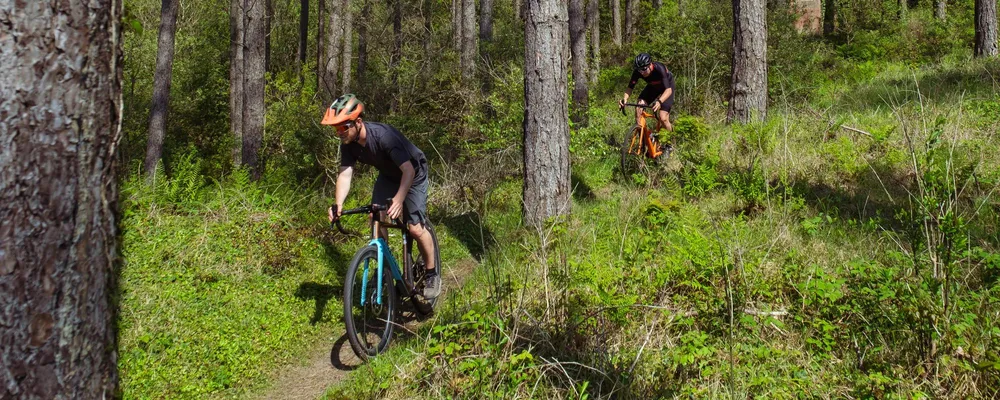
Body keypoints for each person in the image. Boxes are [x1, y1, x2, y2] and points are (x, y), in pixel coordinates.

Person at [322, 94, 440, 299]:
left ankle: (432, 274)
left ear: (358, 122)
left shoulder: (384, 137)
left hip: (413, 173)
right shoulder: (349, 143)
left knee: (415, 229)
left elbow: (409, 171)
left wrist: (399, 199)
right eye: (336, 129)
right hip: (389, 176)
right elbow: (345, 173)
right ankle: (384, 267)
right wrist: (338, 204)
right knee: (375, 219)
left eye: (343, 127)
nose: (340, 132)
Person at [618, 52, 675, 144]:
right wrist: (625, 99)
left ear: (650, 65)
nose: (642, 72)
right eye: (639, 70)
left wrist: (660, 101)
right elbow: (630, 87)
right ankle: (644, 141)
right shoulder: (638, 71)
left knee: (663, 117)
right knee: (638, 108)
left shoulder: (659, 68)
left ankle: (670, 144)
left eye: (644, 69)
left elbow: (668, 91)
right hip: (653, 87)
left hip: (667, 88)